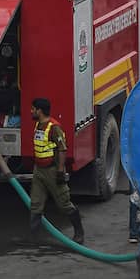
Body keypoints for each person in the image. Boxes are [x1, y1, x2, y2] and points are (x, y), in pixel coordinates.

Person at [28, 97, 84, 244]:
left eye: (33, 109)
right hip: (39, 170)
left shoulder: (53, 127)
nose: (31, 111)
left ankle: (79, 233)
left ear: (39, 111)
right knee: (35, 203)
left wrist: (60, 171)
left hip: (52, 171)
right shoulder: (38, 125)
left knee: (64, 203)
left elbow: (62, 148)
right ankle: (34, 238)